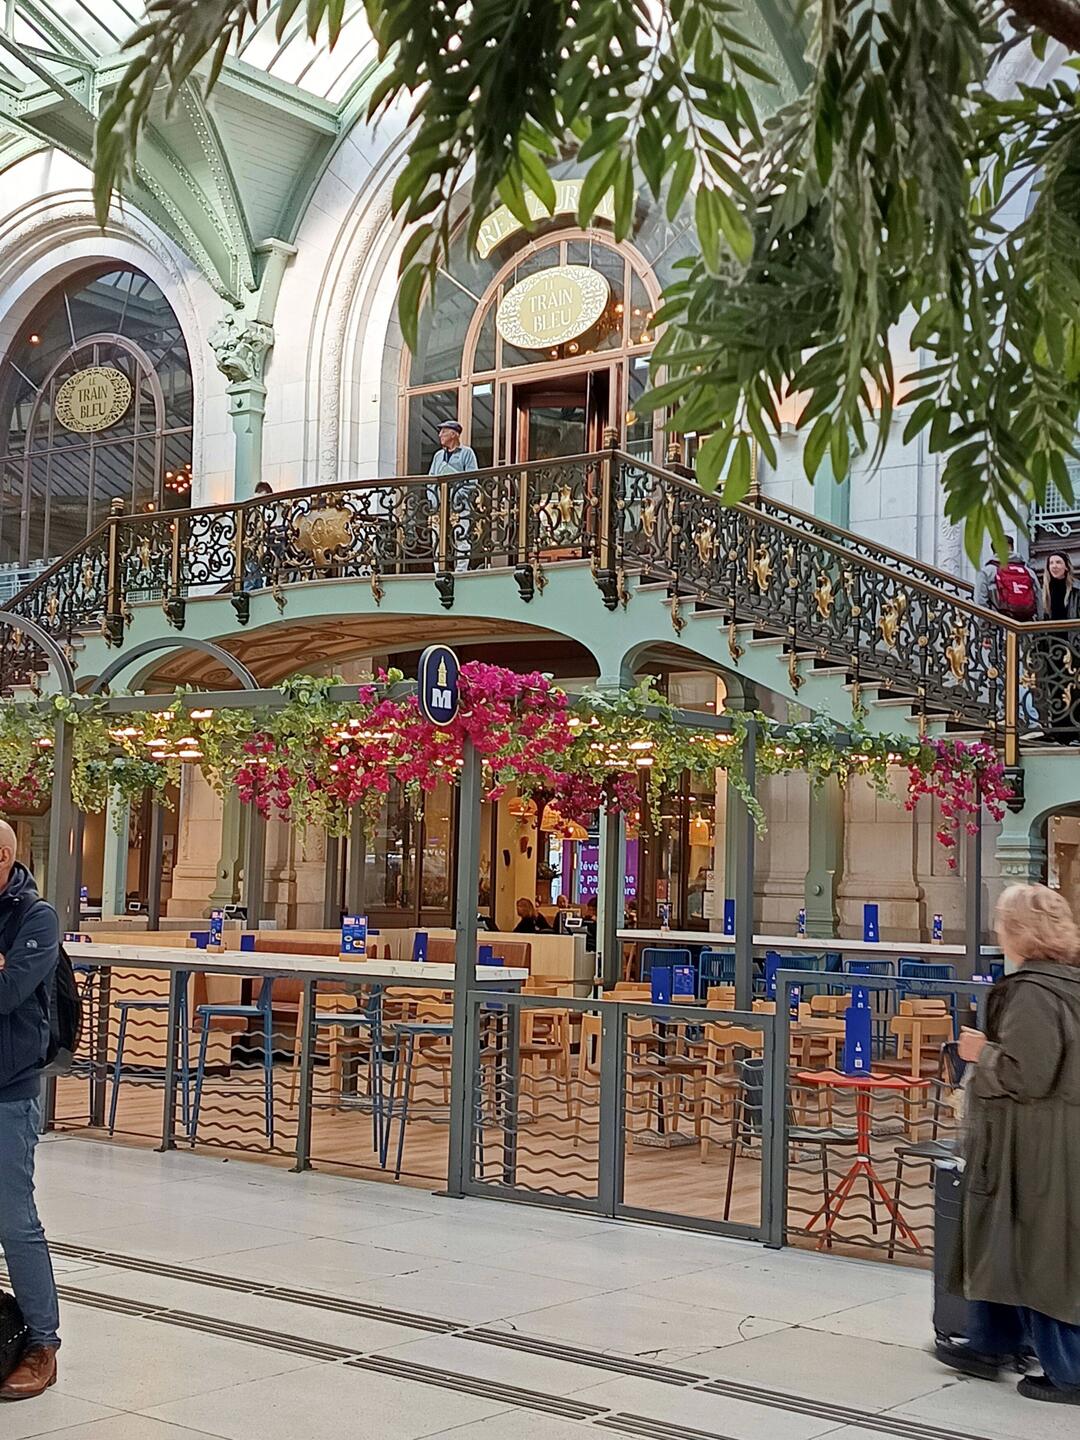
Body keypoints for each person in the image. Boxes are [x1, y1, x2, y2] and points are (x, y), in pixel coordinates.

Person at [936, 883, 1080, 1405]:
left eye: (1001, 921)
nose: (996, 930)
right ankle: (992, 1342)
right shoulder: (1065, 984)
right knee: (1007, 1241)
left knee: (1040, 1252)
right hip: (1044, 1143)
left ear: (1019, 931)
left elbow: (1028, 1074)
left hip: (1035, 1149)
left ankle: (1069, 1372)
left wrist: (980, 1051)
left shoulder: (1034, 994)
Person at [0, 820, 61, 1402]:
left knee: (14, 1222)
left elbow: (9, 993)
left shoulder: (34, 917)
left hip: (7, 1092)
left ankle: (43, 1344)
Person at [429, 421, 479, 571]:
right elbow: (430, 479)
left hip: (459, 505)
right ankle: (439, 570)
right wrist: (433, 499)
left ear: (454, 434)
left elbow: (472, 479)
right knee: (436, 538)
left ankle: (460, 571)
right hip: (439, 504)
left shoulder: (467, 453)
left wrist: (458, 496)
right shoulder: (438, 456)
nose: (440, 435)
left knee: (461, 537)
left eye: (443, 432)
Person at [974, 538, 1038, 619]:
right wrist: (1040, 622)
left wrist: (984, 624)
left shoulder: (986, 572)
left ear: (994, 551)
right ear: (1011, 548)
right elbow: (1038, 596)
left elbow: (980, 601)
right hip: (1026, 623)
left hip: (999, 623)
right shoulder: (1028, 571)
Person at [1041, 551, 1080, 621]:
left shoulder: (1077, 588)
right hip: (1050, 630)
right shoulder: (1044, 590)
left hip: (1072, 630)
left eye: (1058, 562)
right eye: (1051, 563)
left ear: (1066, 567)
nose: (1054, 566)